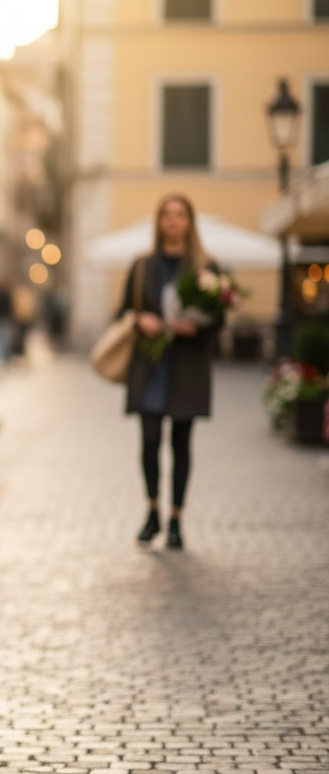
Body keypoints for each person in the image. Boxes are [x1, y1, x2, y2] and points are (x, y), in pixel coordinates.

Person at [120, 194, 222, 550]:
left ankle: (176, 518)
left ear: (190, 222)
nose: (173, 221)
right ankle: (152, 511)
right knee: (149, 441)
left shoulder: (207, 267)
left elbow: (220, 319)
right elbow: (122, 313)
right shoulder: (142, 266)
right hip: (150, 367)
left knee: (181, 444)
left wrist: (196, 328)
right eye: (167, 214)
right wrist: (139, 319)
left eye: (180, 215)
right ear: (159, 221)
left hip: (187, 367)